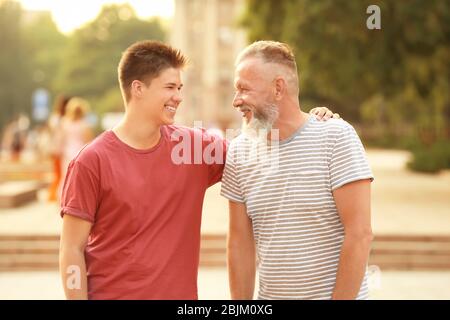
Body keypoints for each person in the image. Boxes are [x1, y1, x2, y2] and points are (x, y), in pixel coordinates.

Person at [59, 40, 337, 300]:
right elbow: (72, 249)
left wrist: (311, 121)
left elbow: (258, 146)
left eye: (180, 88)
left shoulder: (193, 148)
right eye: (170, 87)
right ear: (138, 88)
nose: (178, 97)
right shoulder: (91, 162)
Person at [221, 41, 374, 300]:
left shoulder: (336, 137)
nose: (236, 101)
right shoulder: (238, 152)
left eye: (244, 89)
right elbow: (239, 243)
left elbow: (359, 234)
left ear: (278, 88)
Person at [47, 95, 71, 201]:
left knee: (59, 173)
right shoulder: (60, 119)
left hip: (58, 148)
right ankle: (54, 195)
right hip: (60, 149)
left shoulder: (55, 118)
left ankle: (55, 195)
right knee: (59, 173)